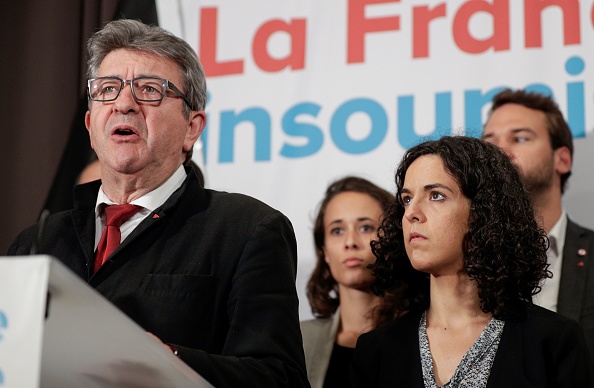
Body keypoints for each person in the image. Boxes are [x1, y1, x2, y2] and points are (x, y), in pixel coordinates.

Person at [8, 19, 308, 388]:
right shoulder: (36, 242)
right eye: (107, 89)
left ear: (192, 127)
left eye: (149, 89)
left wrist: (170, 363)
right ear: (89, 124)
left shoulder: (247, 230)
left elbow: (278, 378)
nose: (124, 104)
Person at [350, 136, 591, 387]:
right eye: (407, 199)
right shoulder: (376, 351)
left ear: (484, 213)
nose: (411, 213)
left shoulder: (554, 342)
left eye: (436, 196)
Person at [482, 88, 594, 359]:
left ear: (562, 159)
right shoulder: (457, 261)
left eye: (519, 138)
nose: (500, 151)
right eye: (490, 141)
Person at [300, 176, 401, 387]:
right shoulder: (299, 340)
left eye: (365, 227)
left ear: (392, 240)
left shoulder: (424, 334)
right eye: (337, 230)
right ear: (324, 251)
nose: (350, 242)